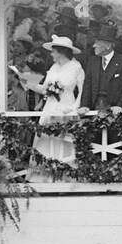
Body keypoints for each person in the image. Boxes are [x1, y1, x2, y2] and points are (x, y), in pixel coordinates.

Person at [29, 36, 85, 171]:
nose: (51, 54)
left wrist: (74, 108)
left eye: (53, 51)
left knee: (65, 142)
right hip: (50, 107)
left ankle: (65, 177)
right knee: (46, 140)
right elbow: (44, 89)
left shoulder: (76, 67)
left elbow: (83, 91)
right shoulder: (53, 67)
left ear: (62, 51)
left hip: (67, 107)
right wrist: (29, 82)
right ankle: (44, 178)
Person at [81, 23, 122, 111]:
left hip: (115, 109)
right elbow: (87, 86)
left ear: (108, 46)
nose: (94, 46)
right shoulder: (92, 61)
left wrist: (121, 106)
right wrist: (84, 106)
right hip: (94, 107)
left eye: (97, 43)